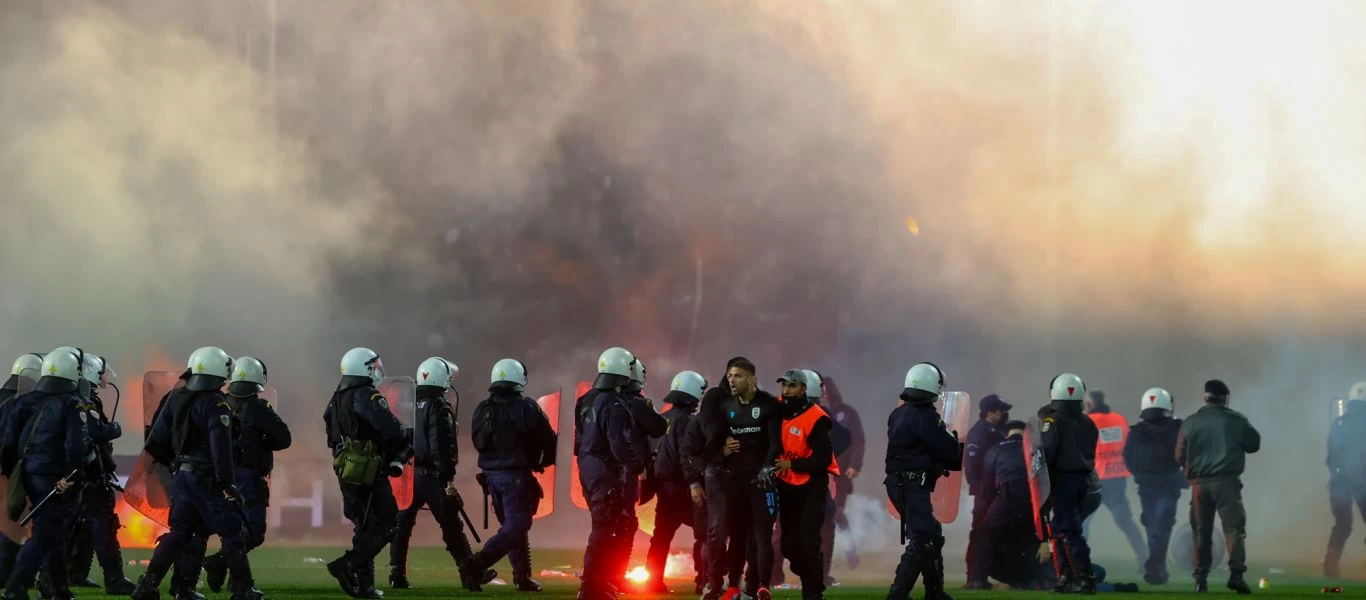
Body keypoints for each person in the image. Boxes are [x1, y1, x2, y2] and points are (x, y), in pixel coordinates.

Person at [131, 346, 264, 600]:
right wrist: (228, 483)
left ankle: (147, 587)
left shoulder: (175, 397)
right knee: (232, 531)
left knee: (180, 532)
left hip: (182, 475)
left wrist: (176, 465)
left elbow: (156, 440)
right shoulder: (216, 404)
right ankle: (242, 589)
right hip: (207, 478)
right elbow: (220, 447)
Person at [388, 357, 497, 589]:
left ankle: (397, 574)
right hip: (432, 476)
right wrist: (447, 476)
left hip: (409, 472)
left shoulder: (408, 402)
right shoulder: (438, 406)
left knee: (402, 525)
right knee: (451, 524)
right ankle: (470, 573)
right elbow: (441, 445)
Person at [0, 347, 91, 600]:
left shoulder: (23, 401)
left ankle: (59, 589)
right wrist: (73, 475)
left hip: (28, 475)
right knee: (45, 533)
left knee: (52, 532)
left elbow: (8, 444)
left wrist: (17, 475)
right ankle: (15, 587)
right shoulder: (72, 404)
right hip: (57, 478)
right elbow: (76, 446)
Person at [324, 347, 412, 599]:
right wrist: (405, 437)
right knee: (387, 521)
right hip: (369, 468)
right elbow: (391, 430)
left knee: (364, 526)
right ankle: (347, 565)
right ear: (364, 369)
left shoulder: (337, 397)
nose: (378, 371)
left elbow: (329, 428)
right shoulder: (365, 395)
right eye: (374, 366)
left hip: (345, 467)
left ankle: (365, 586)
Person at [463, 358, 557, 592]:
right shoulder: (527, 407)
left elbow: (477, 441)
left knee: (514, 527)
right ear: (520, 379)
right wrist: (542, 462)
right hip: (515, 477)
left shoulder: (482, 408)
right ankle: (476, 564)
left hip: (490, 478)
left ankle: (522, 578)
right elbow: (549, 440)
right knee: (517, 525)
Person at [202, 357, 292, 593]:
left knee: (233, 528)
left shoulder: (218, 402)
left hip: (219, 475)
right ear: (258, 380)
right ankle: (220, 563)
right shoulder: (258, 408)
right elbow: (284, 439)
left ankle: (235, 577)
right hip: (247, 477)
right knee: (253, 530)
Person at [701, 357, 781, 600]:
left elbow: (776, 443)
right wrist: (723, 445)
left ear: (751, 379)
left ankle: (761, 586)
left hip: (761, 481)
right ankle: (733, 587)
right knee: (735, 535)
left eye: (737, 375)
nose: (731, 380)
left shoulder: (768, 404)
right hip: (735, 482)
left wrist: (767, 469)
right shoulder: (727, 406)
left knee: (761, 535)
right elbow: (715, 436)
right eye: (729, 376)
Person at [61, 354, 137, 595]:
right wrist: (114, 429)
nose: (104, 379)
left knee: (78, 527)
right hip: (90, 476)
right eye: (101, 373)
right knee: (104, 527)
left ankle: (74, 574)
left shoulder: (65, 399)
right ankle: (114, 579)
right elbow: (95, 432)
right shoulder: (83, 403)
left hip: (75, 477)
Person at [885, 362, 961, 600]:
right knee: (923, 537)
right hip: (913, 485)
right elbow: (949, 453)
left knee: (931, 533)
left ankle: (934, 592)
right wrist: (953, 438)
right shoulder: (927, 417)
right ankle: (898, 594)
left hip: (898, 483)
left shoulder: (898, 413)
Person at [1176, 379, 1259, 594]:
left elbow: (1178, 456)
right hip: (1227, 484)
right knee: (1234, 530)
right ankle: (1236, 575)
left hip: (1199, 486)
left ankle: (1200, 579)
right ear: (1225, 399)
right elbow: (1254, 444)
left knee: (1201, 533)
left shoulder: (1190, 422)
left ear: (1205, 397)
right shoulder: (1236, 420)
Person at [576, 348, 642, 600]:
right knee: (604, 529)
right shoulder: (615, 404)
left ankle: (598, 584)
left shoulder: (586, 399)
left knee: (602, 526)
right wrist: (635, 464)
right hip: (606, 470)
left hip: (587, 468)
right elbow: (619, 444)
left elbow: (579, 439)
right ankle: (591, 586)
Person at [773, 370, 838, 600]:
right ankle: (812, 573)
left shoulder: (817, 418)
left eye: (792, 386)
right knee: (788, 545)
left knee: (808, 542)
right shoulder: (776, 410)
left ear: (803, 389)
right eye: (784, 385)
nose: (786, 390)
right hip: (786, 486)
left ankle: (813, 593)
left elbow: (822, 459)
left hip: (812, 487)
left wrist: (792, 463)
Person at [643, 370, 707, 594]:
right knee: (704, 533)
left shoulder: (662, 419)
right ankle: (703, 581)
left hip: (662, 488)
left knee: (660, 537)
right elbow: (688, 455)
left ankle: (653, 582)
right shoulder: (690, 422)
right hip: (685, 487)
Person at [1038, 373, 1099, 594]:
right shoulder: (1088, 422)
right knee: (1060, 529)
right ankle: (1066, 576)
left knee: (1068, 530)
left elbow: (1047, 452)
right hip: (1083, 480)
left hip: (1062, 480)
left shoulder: (1052, 422)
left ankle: (1083, 577)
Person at [1123, 388, 1185, 585]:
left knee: (1152, 524)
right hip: (1168, 484)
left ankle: (1158, 567)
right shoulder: (1177, 428)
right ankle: (1155, 564)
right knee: (1162, 525)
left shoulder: (1136, 432)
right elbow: (1185, 454)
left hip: (1145, 485)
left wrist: (1140, 476)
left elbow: (1127, 458)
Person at [1082, 390, 1147, 568]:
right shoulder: (1119, 419)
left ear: (1088, 405)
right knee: (1126, 523)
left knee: (1083, 524)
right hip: (1117, 480)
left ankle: (1079, 563)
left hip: (1094, 482)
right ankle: (1145, 560)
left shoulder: (1086, 423)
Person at [0, 353, 41, 585]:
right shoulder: (19, 403)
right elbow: (10, 442)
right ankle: (7, 577)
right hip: (7, 473)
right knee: (12, 526)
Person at [963, 393, 1012, 589]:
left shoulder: (990, 430)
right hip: (986, 493)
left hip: (992, 490)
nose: (1004, 415)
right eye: (1001, 411)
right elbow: (972, 463)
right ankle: (976, 578)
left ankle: (980, 578)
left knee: (986, 534)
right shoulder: (981, 432)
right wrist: (980, 488)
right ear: (990, 412)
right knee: (981, 534)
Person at [820, 375, 863, 577]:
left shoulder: (847, 414)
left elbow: (857, 441)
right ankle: (827, 560)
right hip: (818, 474)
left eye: (825, 389)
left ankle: (848, 552)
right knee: (826, 518)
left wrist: (854, 465)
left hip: (839, 476)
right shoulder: (809, 412)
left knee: (835, 515)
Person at [1325, 382, 1366, 577]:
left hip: (1339, 482)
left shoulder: (1338, 423)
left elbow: (1330, 455)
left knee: (1342, 525)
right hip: (1363, 481)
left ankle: (1330, 568)